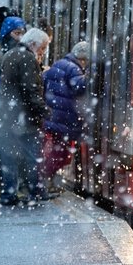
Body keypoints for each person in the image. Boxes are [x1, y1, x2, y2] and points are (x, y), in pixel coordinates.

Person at [0, 27, 50, 206]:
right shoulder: (27, 58)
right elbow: (30, 89)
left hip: (7, 114)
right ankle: (33, 192)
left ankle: (8, 194)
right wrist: (43, 110)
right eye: (42, 48)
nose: (42, 52)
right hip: (24, 116)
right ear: (33, 44)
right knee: (31, 156)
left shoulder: (9, 54)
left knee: (9, 156)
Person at [41, 41, 90, 194]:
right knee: (61, 155)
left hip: (54, 118)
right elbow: (80, 86)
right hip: (64, 120)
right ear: (83, 58)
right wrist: (90, 75)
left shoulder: (59, 64)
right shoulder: (74, 69)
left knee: (56, 153)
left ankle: (46, 181)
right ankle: (45, 182)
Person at [0, 16, 26, 87]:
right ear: (7, 33)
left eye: (23, 34)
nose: (21, 38)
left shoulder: (24, 52)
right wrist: (6, 89)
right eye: (17, 33)